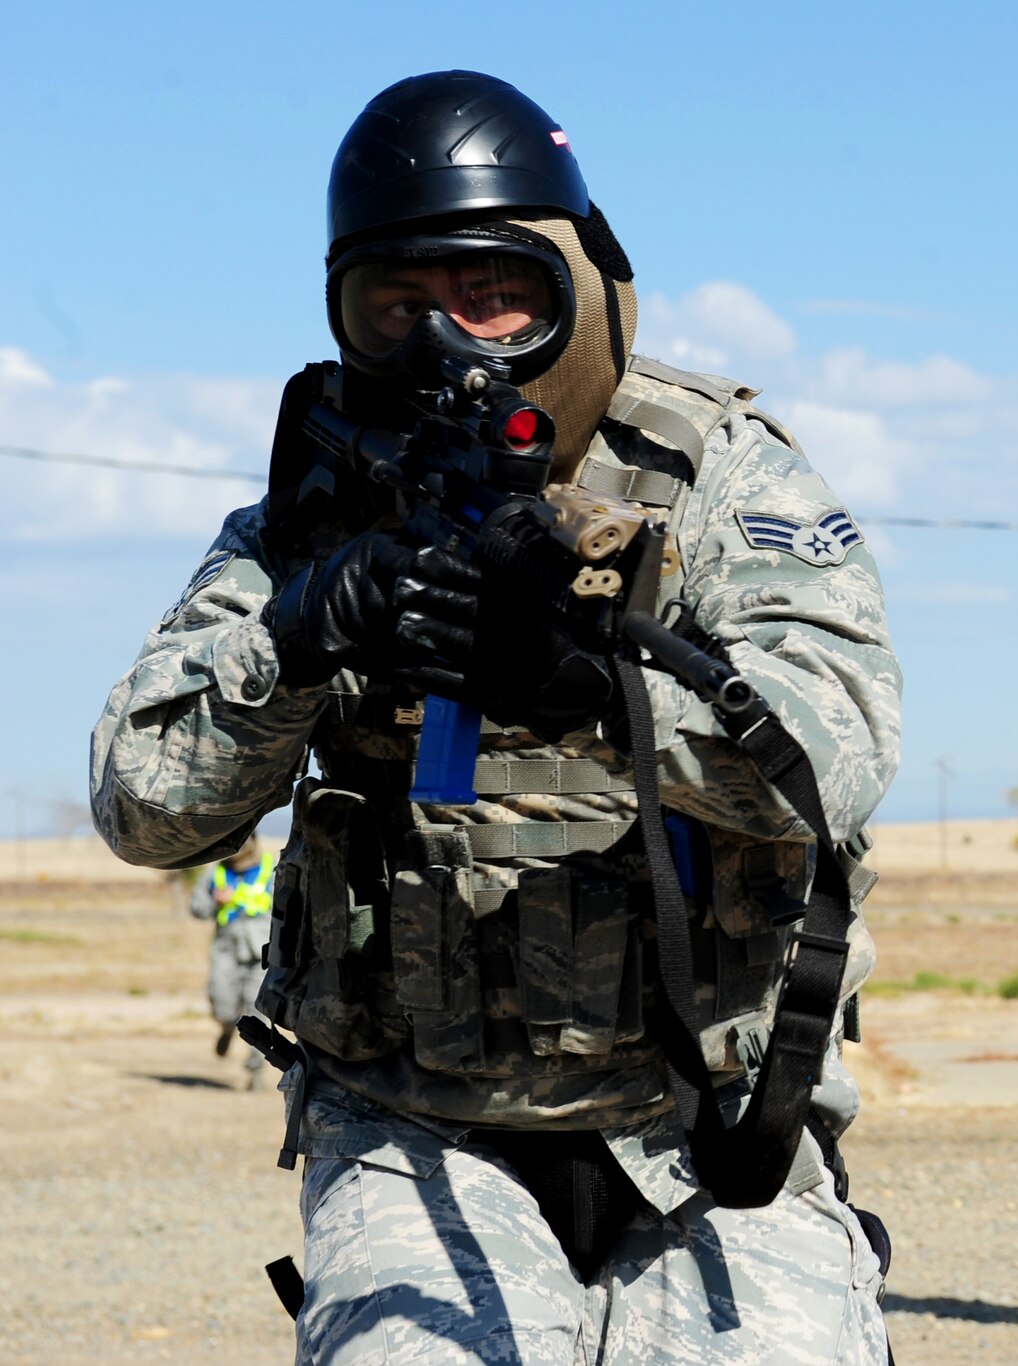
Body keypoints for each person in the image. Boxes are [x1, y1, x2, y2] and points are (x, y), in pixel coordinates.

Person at [91, 70, 900, 1365]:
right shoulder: (314, 513)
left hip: (708, 1127)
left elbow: (838, 752)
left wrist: (605, 690)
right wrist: (302, 628)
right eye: (397, 304)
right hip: (414, 1120)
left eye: (491, 293)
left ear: (571, 290)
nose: (443, 343)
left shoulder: (712, 477)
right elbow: (142, 797)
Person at [190, 835, 279, 1087]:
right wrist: (214, 901)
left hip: (261, 952)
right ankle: (227, 1026)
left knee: (258, 1011)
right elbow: (196, 908)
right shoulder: (216, 873)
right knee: (222, 1004)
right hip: (226, 949)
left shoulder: (270, 870)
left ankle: (255, 1071)